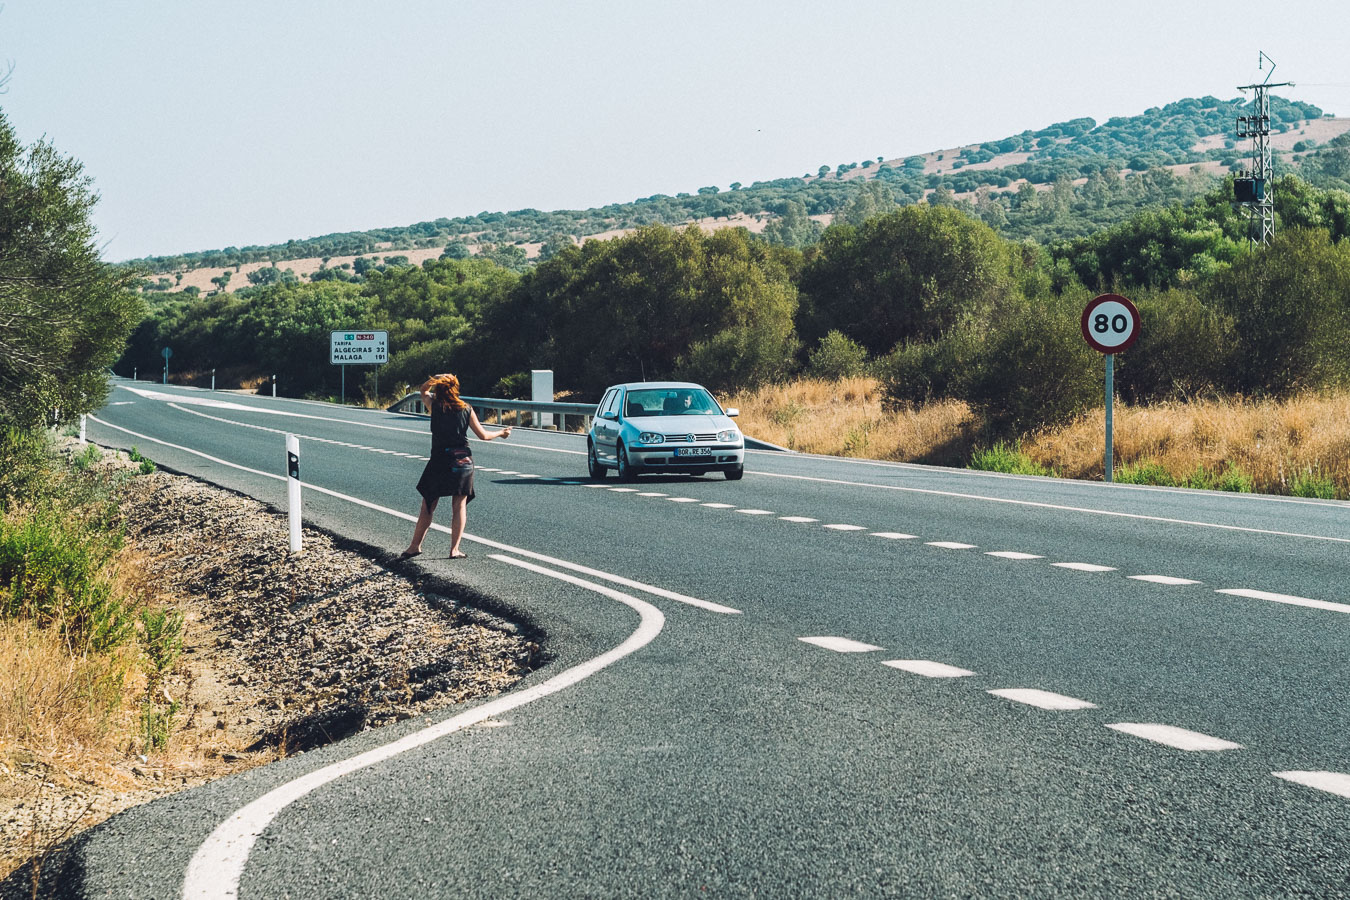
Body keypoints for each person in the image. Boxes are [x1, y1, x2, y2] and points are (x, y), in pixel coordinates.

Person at [400, 373, 510, 560]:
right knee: (459, 505)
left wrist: (435, 378)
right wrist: (501, 432)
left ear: (439, 387)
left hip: (439, 461)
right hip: (462, 462)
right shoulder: (466, 408)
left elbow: (423, 390)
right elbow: (483, 435)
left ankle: (414, 546)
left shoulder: (434, 405)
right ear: (456, 388)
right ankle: (454, 550)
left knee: (428, 504)